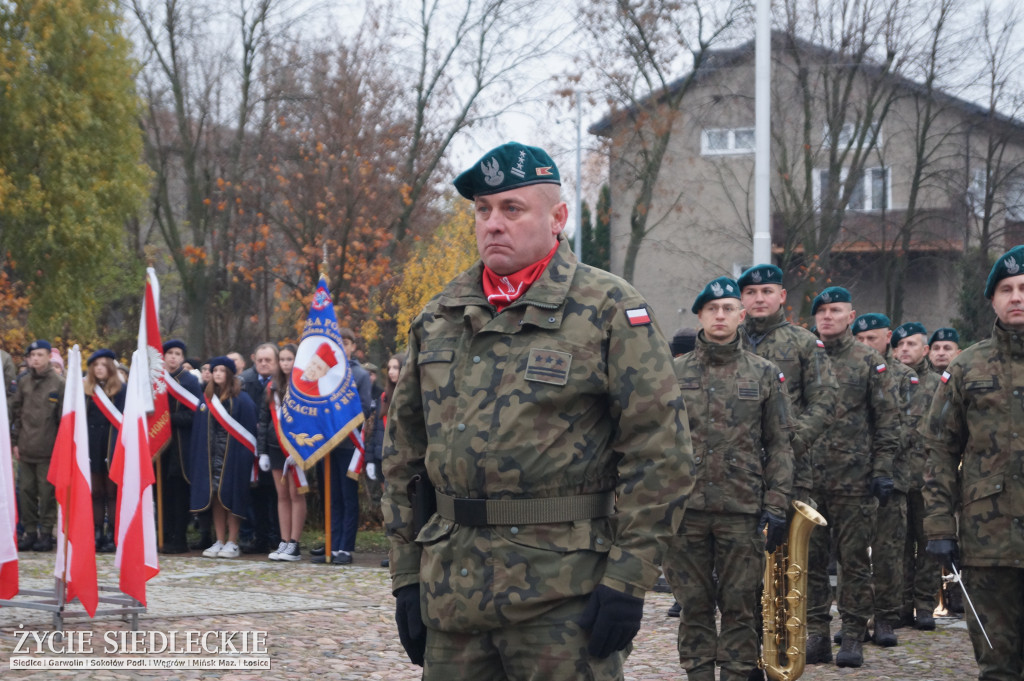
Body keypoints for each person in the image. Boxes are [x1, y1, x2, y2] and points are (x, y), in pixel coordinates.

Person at [382, 141, 693, 679]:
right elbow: (403, 456)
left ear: (558, 217)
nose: (493, 225)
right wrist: (406, 575)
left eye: (512, 209)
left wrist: (629, 578)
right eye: (483, 211)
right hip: (452, 594)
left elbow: (660, 453)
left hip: (562, 597)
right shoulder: (440, 315)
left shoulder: (609, 308)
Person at [664, 277, 793, 681]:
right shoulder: (671, 372)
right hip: (685, 511)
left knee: (740, 604)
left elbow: (780, 445)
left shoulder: (764, 373)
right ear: (700, 316)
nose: (719, 316)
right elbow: (652, 440)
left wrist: (777, 505)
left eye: (727, 309)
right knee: (694, 604)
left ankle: (738, 673)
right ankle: (698, 673)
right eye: (711, 309)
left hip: (742, 509)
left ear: (741, 315)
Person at [923, 244, 1024, 681]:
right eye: (1006, 289)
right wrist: (940, 527)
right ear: (993, 300)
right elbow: (940, 449)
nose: (1017, 296)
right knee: (998, 665)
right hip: (990, 540)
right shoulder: (967, 368)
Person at [805, 288, 900, 667]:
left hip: (855, 481)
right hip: (809, 481)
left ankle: (854, 636)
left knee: (854, 563)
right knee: (810, 563)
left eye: (835, 310)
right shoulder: (805, 358)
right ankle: (816, 635)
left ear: (850, 314)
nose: (828, 317)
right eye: (822, 311)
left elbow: (887, 420)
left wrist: (882, 470)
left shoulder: (868, 361)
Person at [738, 263, 837, 505]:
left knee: (786, 542)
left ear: (782, 296)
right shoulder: (729, 341)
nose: (759, 298)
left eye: (767, 291)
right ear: (741, 298)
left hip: (790, 469)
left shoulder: (804, 342)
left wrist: (792, 442)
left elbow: (825, 400)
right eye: (751, 292)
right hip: (736, 471)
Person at [851, 312, 917, 648]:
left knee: (889, 550)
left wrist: (877, 454)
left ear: (887, 337)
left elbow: (906, 426)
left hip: (892, 477)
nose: (865, 346)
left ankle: (886, 616)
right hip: (852, 478)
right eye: (859, 340)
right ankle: (855, 618)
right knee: (852, 552)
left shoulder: (904, 377)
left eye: (871, 339)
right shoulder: (848, 372)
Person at [891, 322, 942, 631]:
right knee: (897, 546)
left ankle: (925, 604)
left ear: (925, 350)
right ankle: (901, 603)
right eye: (900, 344)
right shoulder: (886, 381)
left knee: (928, 545)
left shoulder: (938, 385)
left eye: (911, 344)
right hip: (895, 477)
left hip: (927, 478)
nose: (904, 349)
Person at [312, 328, 372, 565]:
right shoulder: (325, 372)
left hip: (349, 443)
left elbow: (365, 407)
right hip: (327, 444)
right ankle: (332, 544)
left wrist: (341, 419)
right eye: (338, 344)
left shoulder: (360, 375)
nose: (343, 347)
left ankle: (345, 547)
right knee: (331, 495)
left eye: (346, 343)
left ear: (352, 347)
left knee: (347, 496)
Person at [189, 356, 258, 559]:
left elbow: (249, 434)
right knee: (216, 500)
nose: (217, 373)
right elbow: (199, 431)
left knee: (232, 499)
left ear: (229, 373)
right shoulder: (206, 399)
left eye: (221, 370)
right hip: (211, 459)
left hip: (234, 457)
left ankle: (232, 541)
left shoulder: (242, 400)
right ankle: (219, 540)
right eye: (214, 370)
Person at [11, 340, 65, 552]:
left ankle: (46, 533)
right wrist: (15, 442)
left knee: (47, 492)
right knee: (25, 492)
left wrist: (61, 448)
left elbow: (62, 420)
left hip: (49, 449)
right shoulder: (23, 382)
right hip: (25, 447)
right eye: (32, 355)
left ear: (48, 357)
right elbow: (17, 413)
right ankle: (30, 531)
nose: (35, 359)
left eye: (40, 355)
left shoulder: (59, 383)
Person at [258, 344, 307, 562]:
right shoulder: (271, 386)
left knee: (297, 495)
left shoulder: (305, 385)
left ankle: (295, 543)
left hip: (297, 448)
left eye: (290, 359)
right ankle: (284, 540)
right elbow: (263, 420)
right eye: (283, 360)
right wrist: (262, 452)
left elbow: (310, 421)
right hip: (275, 446)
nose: (286, 363)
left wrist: (300, 450)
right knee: (282, 495)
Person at [161, 339, 203, 554]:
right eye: (169, 353)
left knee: (179, 492)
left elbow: (195, 413)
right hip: (160, 445)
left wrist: (169, 419)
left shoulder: (189, 382)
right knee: (162, 492)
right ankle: (164, 534)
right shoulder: (157, 380)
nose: (173, 357)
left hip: (181, 445)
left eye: (178, 353)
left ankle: (179, 537)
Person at [239, 342, 282, 555]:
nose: (264, 364)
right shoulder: (245, 382)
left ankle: (279, 536)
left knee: (277, 495)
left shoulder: (282, 382)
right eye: (260, 360)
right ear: (254, 360)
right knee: (257, 495)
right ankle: (261, 537)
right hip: (251, 445)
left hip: (276, 445)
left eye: (268, 360)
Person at [83, 349, 126, 553]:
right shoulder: (86, 390)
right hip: (92, 445)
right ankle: (96, 531)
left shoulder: (122, 390)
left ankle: (113, 533)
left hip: (112, 444)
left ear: (110, 367)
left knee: (112, 492)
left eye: (103, 364)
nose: (99, 368)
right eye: (96, 365)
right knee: (96, 492)